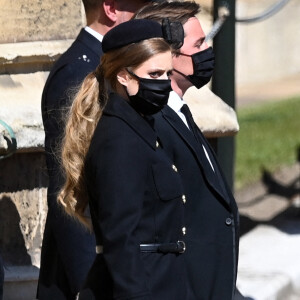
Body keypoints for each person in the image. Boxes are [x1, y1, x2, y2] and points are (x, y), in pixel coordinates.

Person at [58, 19, 191, 300]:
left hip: (163, 283)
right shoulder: (118, 140)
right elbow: (122, 240)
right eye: (154, 74)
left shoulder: (141, 128)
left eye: (167, 74)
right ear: (123, 76)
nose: (164, 84)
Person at [39, 1, 160, 299]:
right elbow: (70, 186)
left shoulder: (106, 63)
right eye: (138, 9)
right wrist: (87, 282)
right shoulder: (79, 70)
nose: (145, 18)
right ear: (110, 8)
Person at [135, 2, 245, 299]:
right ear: (168, 57)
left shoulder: (179, 112)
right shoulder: (152, 122)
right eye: (198, 43)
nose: (208, 48)